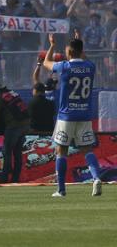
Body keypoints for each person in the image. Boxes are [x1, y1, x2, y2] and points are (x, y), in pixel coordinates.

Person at [42, 35, 103, 198]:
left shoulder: (64, 66)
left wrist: (52, 45)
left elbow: (46, 63)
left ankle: (61, 190)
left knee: (61, 150)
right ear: (82, 51)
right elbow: (83, 57)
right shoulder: (90, 66)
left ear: (69, 51)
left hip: (66, 116)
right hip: (84, 115)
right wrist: (79, 43)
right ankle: (96, 178)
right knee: (87, 150)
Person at [0, 87, 29, 183]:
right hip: (25, 125)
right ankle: (15, 178)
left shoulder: (0, 97)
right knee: (17, 152)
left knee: (7, 152)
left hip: (14, 126)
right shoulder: (13, 93)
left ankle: (5, 177)